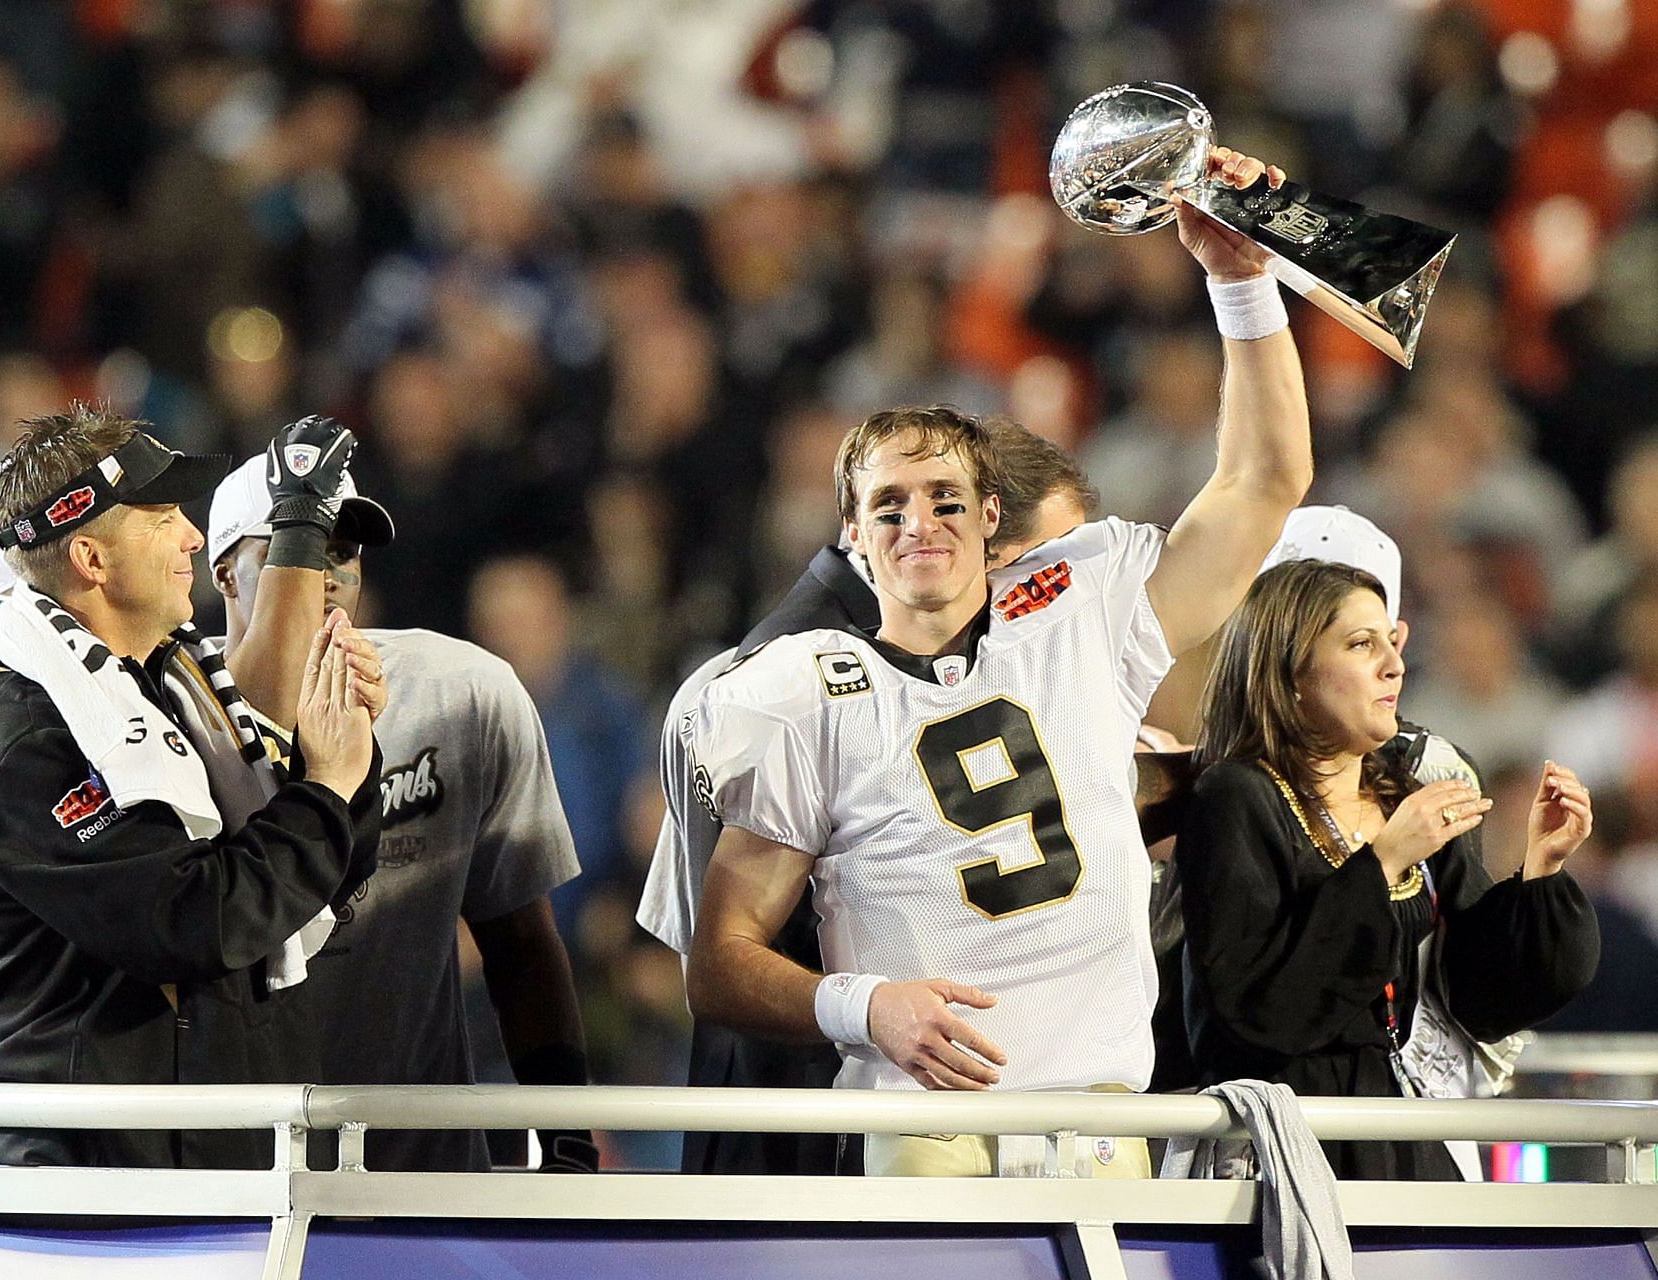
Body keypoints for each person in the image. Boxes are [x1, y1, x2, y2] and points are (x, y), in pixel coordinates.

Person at [685, 145, 1313, 1178]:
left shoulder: (1081, 613)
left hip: (1101, 1109)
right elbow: (719, 962)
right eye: (887, 503)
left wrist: (1242, 285)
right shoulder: (802, 689)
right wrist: (864, 1004)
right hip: (926, 1124)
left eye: (943, 499)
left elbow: (1266, 477)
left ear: (990, 520)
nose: (917, 521)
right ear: (847, 536)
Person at [641, 423, 1192, 1175]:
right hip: (820, 1113)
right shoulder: (772, 689)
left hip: (986, 1098)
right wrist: (866, 1011)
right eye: (1052, 567)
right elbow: (722, 959)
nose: (1064, 591)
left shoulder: (963, 665)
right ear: (999, 558)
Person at [0, 406, 385, 1169]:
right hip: (101, 1199)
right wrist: (327, 786)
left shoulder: (176, 682)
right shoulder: (34, 743)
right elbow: (194, 923)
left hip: (222, 1159)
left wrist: (343, 756)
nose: (192, 536)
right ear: (92, 557)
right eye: (161, 518)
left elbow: (324, 877)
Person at [206, 455, 597, 1174]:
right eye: (291, 548)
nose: (324, 572)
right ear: (224, 574)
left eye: (342, 550)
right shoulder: (173, 716)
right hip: (239, 1167)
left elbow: (521, 941)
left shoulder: (462, 695)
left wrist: (566, 1129)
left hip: (423, 1159)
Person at [1176, 558, 1599, 1180]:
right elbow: (1257, 1009)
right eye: (1360, 644)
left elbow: (1481, 999)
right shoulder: (1236, 796)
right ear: (1290, 671)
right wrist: (1386, 862)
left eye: (1392, 643)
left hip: (1402, 1131)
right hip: (1289, 1143)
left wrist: (1540, 868)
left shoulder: (1406, 795)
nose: (1393, 665)